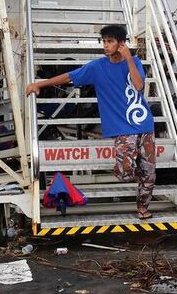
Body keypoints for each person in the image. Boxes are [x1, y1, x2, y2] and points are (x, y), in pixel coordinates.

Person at [25, 25, 156, 220]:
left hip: (144, 124)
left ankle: (142, 208)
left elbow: (138, 86)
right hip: (122, 128)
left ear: (121, 44)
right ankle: (128, 168)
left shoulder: (134, 62)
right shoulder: (97, 67)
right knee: (126, 172)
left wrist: (129, 58)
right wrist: (39, 84)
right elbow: (69, 76)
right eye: (104, 41)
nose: (105, 45)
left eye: (110, 41)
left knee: (149, 173)